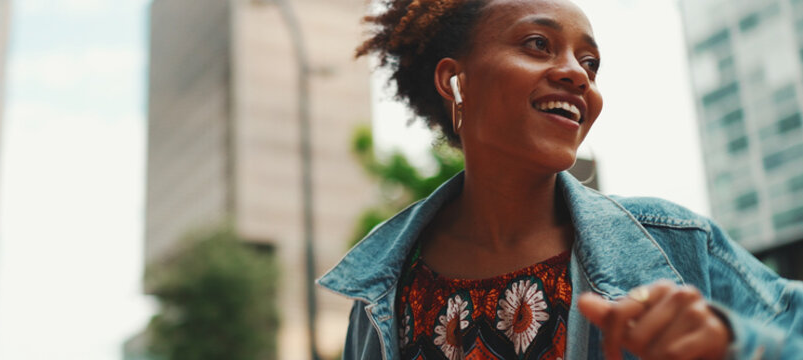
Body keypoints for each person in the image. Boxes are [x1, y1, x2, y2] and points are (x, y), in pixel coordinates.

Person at [316, 0, 803, 359]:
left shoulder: (676, 246)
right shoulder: (381, 293)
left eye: (589, 63)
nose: (577, 74)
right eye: (538, 44)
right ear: (454, 80)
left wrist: (738, 343)